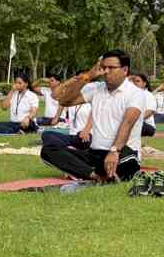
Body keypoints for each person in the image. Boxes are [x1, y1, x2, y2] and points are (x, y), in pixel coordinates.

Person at [41, 49, 145, 182]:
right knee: (48, 150)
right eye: (103, 67)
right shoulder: (97, 88)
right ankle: (95, 175)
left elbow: (127, 123)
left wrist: (114, 151)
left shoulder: (135, 93)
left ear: (125, 70)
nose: (106, 71)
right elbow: (64, 101)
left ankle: (88, 172)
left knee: (126, 162)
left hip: (123, 152)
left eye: (111, 68)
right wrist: (88, 76)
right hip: (95, 153)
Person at [41, 71, 93, 149]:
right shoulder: (71, 96)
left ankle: (66, 146)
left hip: (86, 135)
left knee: (83, 140)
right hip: (72, 135)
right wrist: (67, 83)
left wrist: (86, 130)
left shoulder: (93, 95)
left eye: (85, 79)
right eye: (80, 79)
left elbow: (96, 116)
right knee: (46, 134)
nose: (82, 82)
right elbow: (54, 95)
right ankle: (68, 146)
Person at [129, 72, 157, 137]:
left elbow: (150, 111)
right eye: (133, 81)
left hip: (147, 125)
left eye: (138, 81)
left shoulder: (148, 95)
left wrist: (136, 119)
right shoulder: (131, 95)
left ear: (144, 84)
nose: (135, 83)